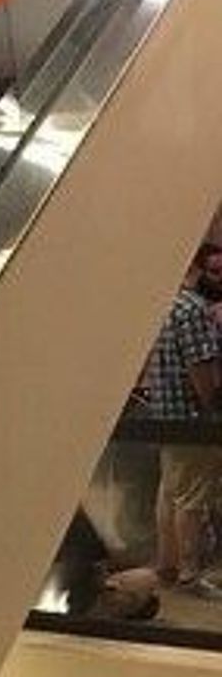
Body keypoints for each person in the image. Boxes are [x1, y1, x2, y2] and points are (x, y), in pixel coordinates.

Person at [143, 242, 222, 598]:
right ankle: (189, 572)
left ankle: (168, 564)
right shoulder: (193, 311)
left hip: (164, 414)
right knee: (191, 497)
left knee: (170, 492)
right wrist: (214, 409)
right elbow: (202, 370)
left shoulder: (166, 304)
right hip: (191, 416)